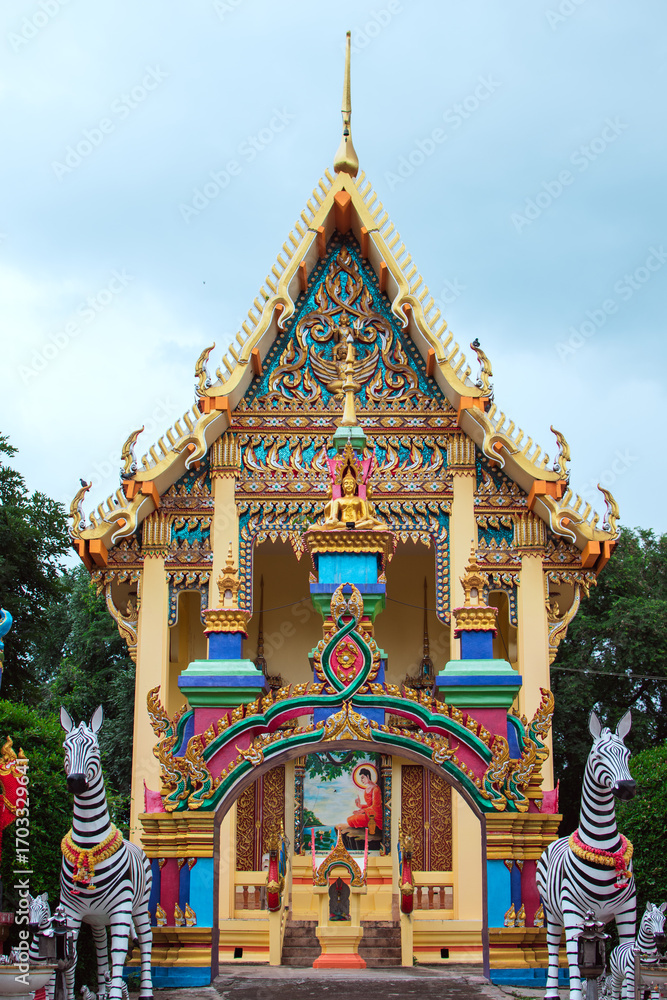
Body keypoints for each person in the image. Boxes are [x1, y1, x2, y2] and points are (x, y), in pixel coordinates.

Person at [336, 768, 382, 836]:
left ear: (368, 776)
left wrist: (362, 811)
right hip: (368, 813)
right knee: (349, 819)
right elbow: (369, 805)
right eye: (361, 778)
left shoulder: (375, 789)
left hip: (375, 815)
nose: (361, 780)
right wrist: (360, 806)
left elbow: (376, 806)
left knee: (351, 820)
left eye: (363, 778)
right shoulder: (367, 789)